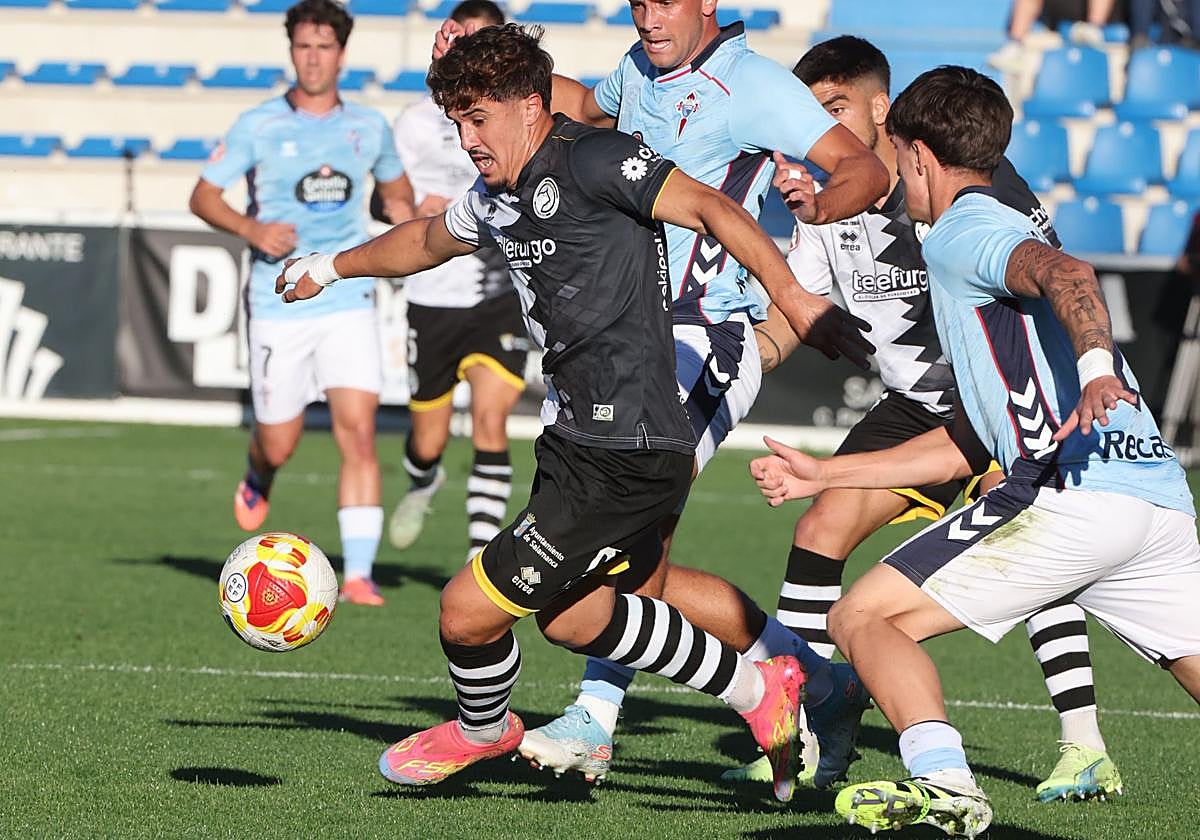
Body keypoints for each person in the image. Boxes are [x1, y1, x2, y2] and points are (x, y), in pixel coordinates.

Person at [277, 23, 877, 802]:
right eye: (457, 123)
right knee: (577, 616)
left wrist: (791, 299)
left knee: (464, 613)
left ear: (530, 107)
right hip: (575, 438)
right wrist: (329, 266)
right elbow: (425, 241)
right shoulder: (498, 194)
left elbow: (712, 208)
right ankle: (768, 688)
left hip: (628, 439)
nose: (467, 140)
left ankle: (495, 729)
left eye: (478, 120)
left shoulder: (596, 159)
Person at [430, 0, 889, 785]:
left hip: (701, 337)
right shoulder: (639, 67)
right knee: (635, 571)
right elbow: (572, 106)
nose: (647, 16)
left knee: (632, 546)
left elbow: (864, 168)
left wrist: (814, 218)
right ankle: (820, 683)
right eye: (637, 2)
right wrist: (478, 59)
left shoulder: (752, 83)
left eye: (664, 1)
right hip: (613, 342)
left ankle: (595, 719)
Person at [751, 66, 1200, 837]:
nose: (896, 176)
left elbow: (1068, 272)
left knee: (862, 616)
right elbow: (967, 442)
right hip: (1153, 501)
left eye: (898, 158)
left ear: (919, 156)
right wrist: (825, 473)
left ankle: (947, 782)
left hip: (1070, 496)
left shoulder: (964, 230)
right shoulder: (999, 224)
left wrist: (1096, 368)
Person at [189, 0, 409, 606]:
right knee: (279, 441)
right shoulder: (258, 124)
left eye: (324, 47)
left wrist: (405, 213)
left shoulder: (369, 126)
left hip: (346, 295)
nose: (313, 59)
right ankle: (260, 471)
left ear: (342, 53)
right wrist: (253, 229)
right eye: (303, 47)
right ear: (291, 51)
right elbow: (203, 196)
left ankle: (358, 574)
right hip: (279, 300)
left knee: (358, 432)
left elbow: (396, 195)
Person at [383, 0, 529, 564]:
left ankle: (478, 561)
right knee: (429, 440)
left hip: (497, 295)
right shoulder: (416, 122)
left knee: (491, 422)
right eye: (464, 39)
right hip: (431, 297)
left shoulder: (517, 117)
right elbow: (383, 196)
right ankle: (424, 479)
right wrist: (413, 211)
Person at [989, 0, 1118, 72]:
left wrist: (1093, 27)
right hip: (1056, 35)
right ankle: (1015, 48)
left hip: (1105, 40)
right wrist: (1016, 42)